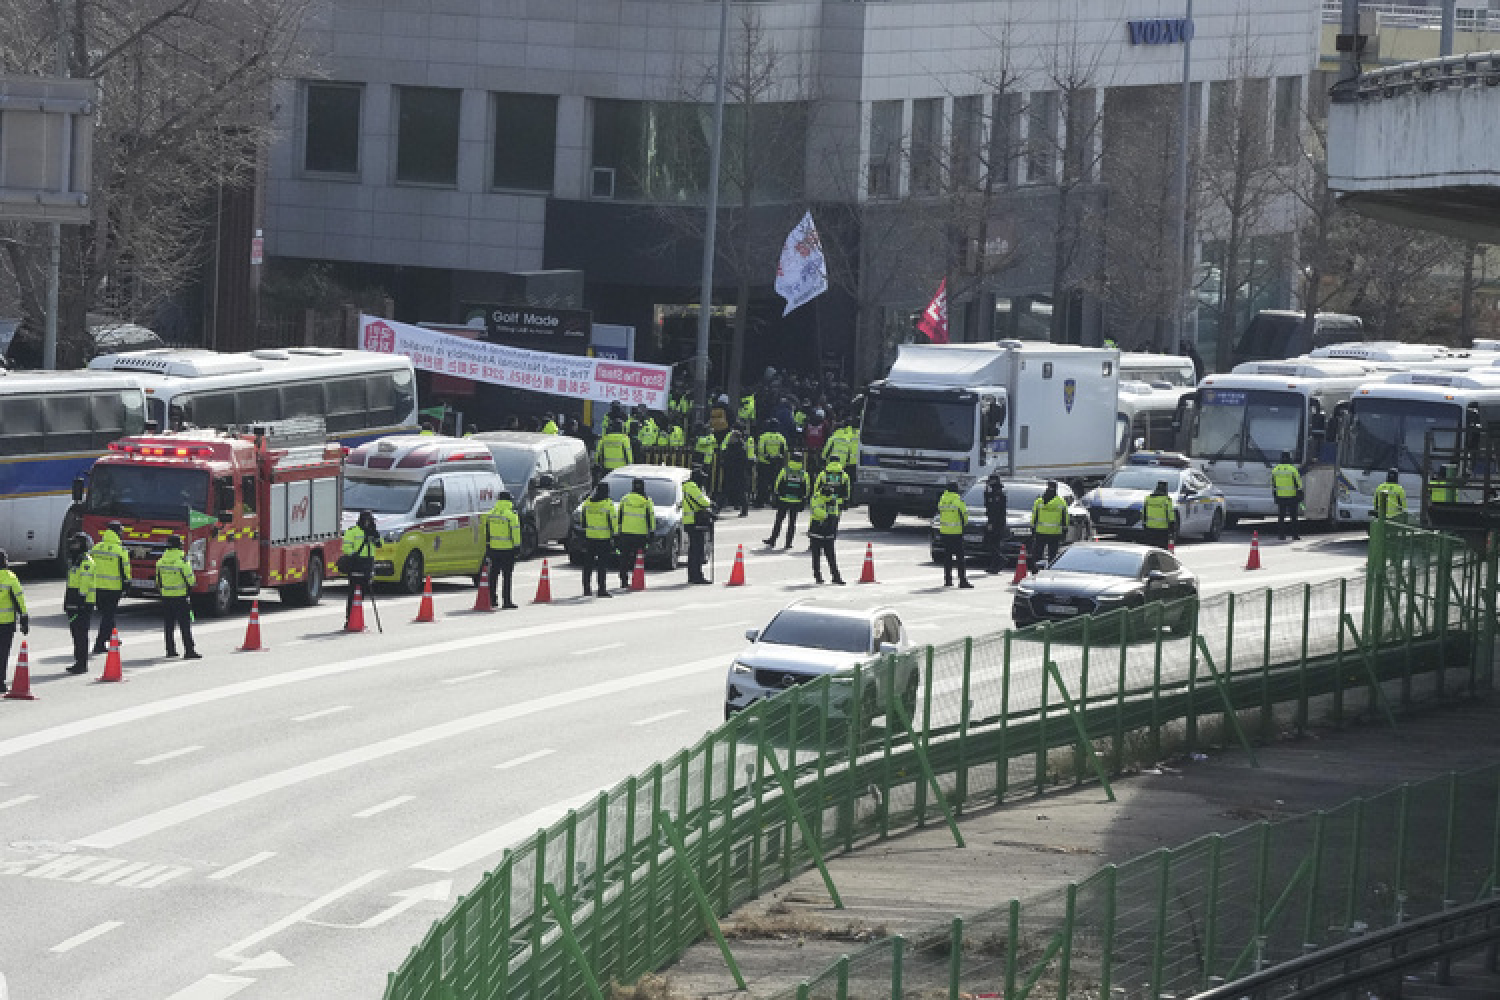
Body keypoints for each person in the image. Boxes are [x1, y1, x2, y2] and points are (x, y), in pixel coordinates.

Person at [155, 534, 200, 659]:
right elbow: (191, 580)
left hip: (166, 597)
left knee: (168, 625)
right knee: (184, 625)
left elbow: (158, 581)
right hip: (180, 597)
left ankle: (170, 650)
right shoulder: (182, 562)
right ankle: (189, 650)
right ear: (179, 546)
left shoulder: (160, 562)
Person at [91, 520, 129, 654]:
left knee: (107, 614)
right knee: (108, 616)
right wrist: (127, 584)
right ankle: (99, 643)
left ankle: (114, 637)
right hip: (113, 588)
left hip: (96, 588)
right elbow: (125, 570)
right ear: (117, 532)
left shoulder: (96, 548)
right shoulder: (120, 550)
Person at [483, 490, 522, 609]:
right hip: (508, 549)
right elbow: (515, 532)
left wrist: (488, 545)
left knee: (493, 575)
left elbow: (487, 532)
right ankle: (507, 601)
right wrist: (517, 547)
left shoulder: (491, 513)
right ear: (509, 500)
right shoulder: (511, 515)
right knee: (507, 576)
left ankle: (492, 599)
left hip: (494, 548)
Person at [63, 532, 96, 674]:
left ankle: (82, 663)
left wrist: (80, 600)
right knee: (75, 632)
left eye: (76, 544)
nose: (73, 546)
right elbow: (71, 582)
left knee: (81, 633)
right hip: (73, 599)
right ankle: (78, 660)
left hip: (83, 602)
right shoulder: (75, 561)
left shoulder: (86, 561)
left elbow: (85, 582)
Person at [342, 510, 379, 628]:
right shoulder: (352, 531)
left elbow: (379, 545)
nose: (369, 523)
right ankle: (349, 619)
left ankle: (357, 617)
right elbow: (346, 547)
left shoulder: (373, 532)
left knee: (362, 593)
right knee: (353, 592)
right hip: (356, 564)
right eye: (368, 520)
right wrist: (354, 555)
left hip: (368, 564)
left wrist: (375, 535)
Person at [764, 451, 809, 549]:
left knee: (779, 521)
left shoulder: (785, 471)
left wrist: (777, 494)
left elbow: (777, 484)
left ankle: (772, 540)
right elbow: (807, 488)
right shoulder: (803, 474)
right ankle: (788, 543)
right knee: (792, 523)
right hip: (796, 501)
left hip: (783, 500)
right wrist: (803, 499)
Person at [580, 482, 618, 598]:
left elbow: (583, 522)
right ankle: (602, 589)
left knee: (588, 565)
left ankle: (587, 589)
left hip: (590, 538)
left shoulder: (587, 504)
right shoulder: (608, 505)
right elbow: (614, 523)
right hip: (603, 539)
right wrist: (615, 537)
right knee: (602, 566)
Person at [617, 478, 656, 589]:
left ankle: (623, 580)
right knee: (637, 559)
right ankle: (636, 579)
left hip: (626, 533)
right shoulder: (646, 501)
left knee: (624, 557)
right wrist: (652, 532)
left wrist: (617, 532)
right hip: (640, 534)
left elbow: (619, 517)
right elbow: (651, 518)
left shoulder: (625, 499)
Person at [0, 550, 29, 693]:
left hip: (6, 623)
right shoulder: (10, 577)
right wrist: (24, 617)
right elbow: (19, 599)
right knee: (2, 653)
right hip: (5, 623)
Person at [935, 481, 973, 588]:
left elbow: (940, 513)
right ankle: (962, 581)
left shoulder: (942, 500)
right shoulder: (957, 500)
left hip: (944, 532)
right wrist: (963, 525)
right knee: (960, 558)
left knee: (947, 557)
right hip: (956, 533)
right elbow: (965, 515)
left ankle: (948, 580)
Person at [807, 482, 846, 585]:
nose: (830, 494)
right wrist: (827, 516)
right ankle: (817, 576)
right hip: (817, 529)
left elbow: (836, 512)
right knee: (816, 555)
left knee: (831, 555)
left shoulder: (833, 499)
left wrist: (833, 522)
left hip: (828, 529)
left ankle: (836, 576)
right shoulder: (816, 497)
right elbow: (815, 510)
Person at [683, 468, 714, 584]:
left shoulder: (686, 486)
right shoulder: (692, 487)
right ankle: (697, 576)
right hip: (695, 522)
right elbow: (703, 501)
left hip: (689, 522)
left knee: (693, 550)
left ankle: (693, 575)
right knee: (697, 550)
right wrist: (711, 503)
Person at [1030, 480, 1069, 569]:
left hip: (1040, 532)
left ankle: (1035, 569)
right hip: (1055, 533)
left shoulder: (1039, 501)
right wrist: (1064, 530)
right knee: (1053, 555)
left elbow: (1034, 516)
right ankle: (1051, 570)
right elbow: (1065, 518)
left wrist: (1032, 528)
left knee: (1038, 553)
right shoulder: (1061, 502)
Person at [1271, 451, 1304, 541]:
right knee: (1293, 517)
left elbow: (1273, 484)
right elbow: (1299, 483)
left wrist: (1275, 495)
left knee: (1281, 517)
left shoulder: (1275, 470)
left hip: (1280, 496)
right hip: (1292, 496)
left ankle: (1281, 535)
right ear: (1289, 458)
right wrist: (1300, 493)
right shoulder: (1292, 469)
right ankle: (1295, 535)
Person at [755, 418, 787, 508]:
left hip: (764, 463)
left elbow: (760, 449)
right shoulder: (781, 437)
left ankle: (760, 502)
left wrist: (767, 457)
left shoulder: (763, 436)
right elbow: (784, 450)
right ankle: (776, 502)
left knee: (762, 483)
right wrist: (777, 457)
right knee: (775, 484)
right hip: (776, 463)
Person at [720, 427, 751, 516]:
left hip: (738, 473)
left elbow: (742, 462)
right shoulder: (730, 447)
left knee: (740, 492)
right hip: (729, 472)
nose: (730, 438)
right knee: (724, 491)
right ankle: (717, 509)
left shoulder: (740, 449)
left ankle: (744, 510)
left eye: (732, 437)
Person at [982, 474, 1009, 574]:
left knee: (992, 543)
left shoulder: (998, 495)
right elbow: (987, 504)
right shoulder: (993, 493)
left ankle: (1001, 560)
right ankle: (994, 565)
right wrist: (986, 490)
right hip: (994, 522)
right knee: (993, 544)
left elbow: (995, 511)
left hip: (996, 523)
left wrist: (991, 524)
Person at [1142, 480, 1175, 550]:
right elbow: (1170, 514)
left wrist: (1144, 523)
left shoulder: (1148, 498)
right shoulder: (1167, 500)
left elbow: (1144, 512)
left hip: (1149, 528)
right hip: (1162, 529)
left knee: (1150, 549)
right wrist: (1172, 526)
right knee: (1162, 550)